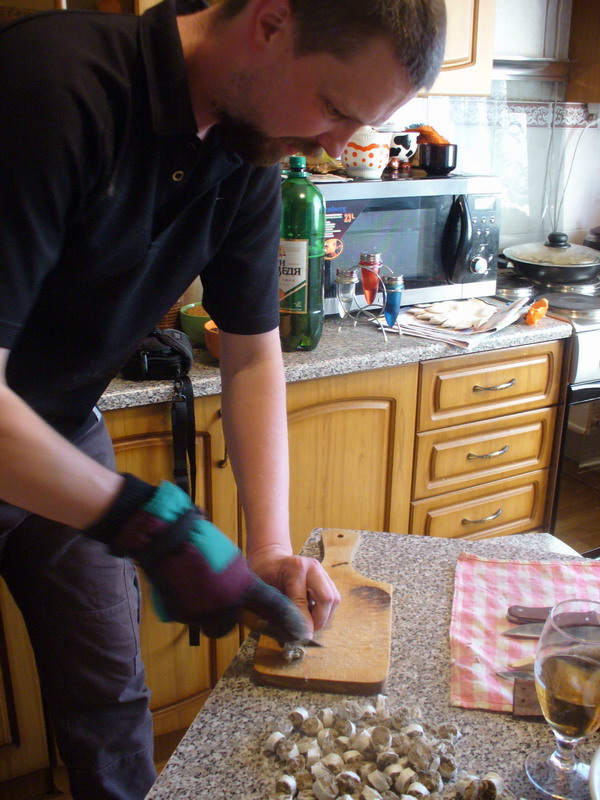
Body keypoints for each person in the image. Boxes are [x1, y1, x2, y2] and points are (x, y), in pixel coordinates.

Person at [0, 0, 446, 797]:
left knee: (110, 701)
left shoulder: (250, 153)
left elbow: (250, 357)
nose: (336, 146)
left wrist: (270, 547)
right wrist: (146, 524)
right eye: (336, 108)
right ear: (270, 24)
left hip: (61, 428)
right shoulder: (52, 84)